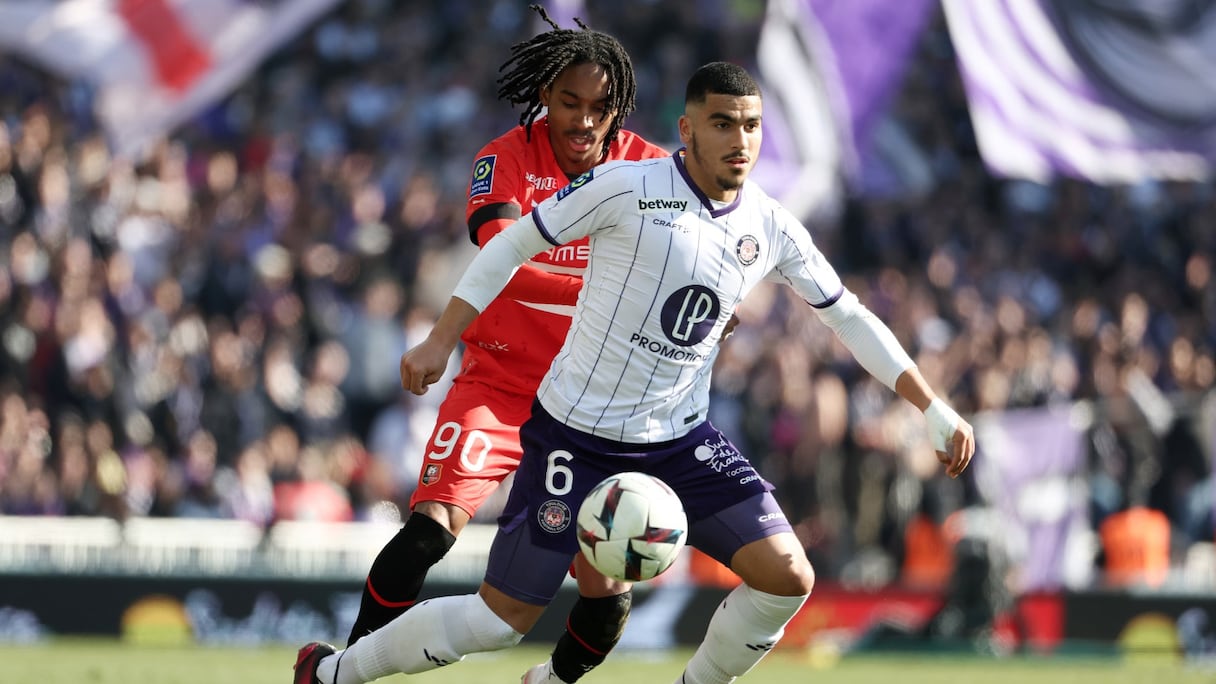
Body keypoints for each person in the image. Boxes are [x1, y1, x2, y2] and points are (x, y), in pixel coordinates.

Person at [303, 61, 975, 684]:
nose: (739, 139)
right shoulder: (627, 186)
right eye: (721, 123)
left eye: (751, 124)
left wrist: (933, 408)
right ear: (686, 129)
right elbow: (512, 242)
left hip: (679, 440)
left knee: (786, 577)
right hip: (575, 436)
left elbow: (850, 317)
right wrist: (440, 339)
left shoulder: (771, 224)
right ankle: (335, 674)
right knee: (497, 621)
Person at [293, 6, 669, 684]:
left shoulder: (650, 171)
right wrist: (608, 283)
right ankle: (345, 671)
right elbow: (502, 253)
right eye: (569, 102)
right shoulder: (505, 159)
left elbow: (687, 261)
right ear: (543, 97)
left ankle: (552, 681)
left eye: (601, 107)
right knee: (429, 531)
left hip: (594, 405)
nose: (584, 121)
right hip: (500, 385)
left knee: (608, 583)